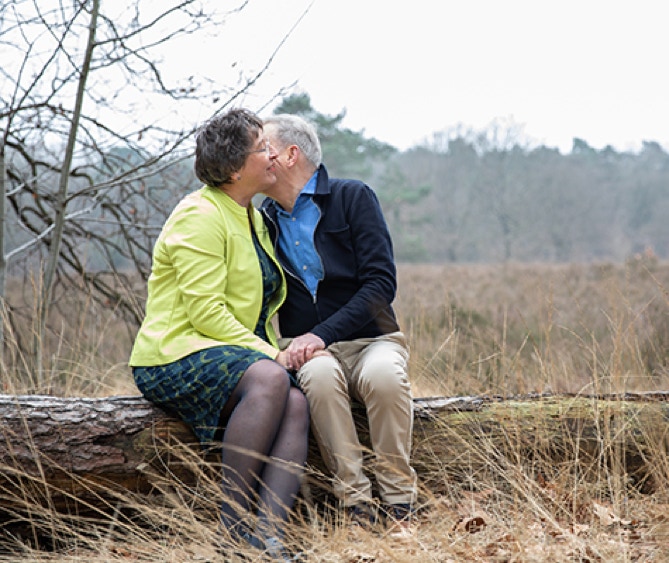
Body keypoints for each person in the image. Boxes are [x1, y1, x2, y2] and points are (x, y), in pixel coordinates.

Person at [129, 108, 309, 560]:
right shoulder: (199, 216)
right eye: (261, 149)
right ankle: (231, 534)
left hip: (232, 353)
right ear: (233, 170)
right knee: (271, 378)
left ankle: (269, 539)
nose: (272, 155)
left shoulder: (251, 216)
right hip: (174, 354)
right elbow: (206, 312)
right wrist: (271, 355)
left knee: (297, 400)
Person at [260, 114, 417, 534]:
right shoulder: (261, 220)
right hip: (304, 347)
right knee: (323, 380)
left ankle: (401, 504)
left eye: (265, 149)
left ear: (291, 155)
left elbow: (382, 284)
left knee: (385, 377)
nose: (259, 158)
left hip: (373, 339)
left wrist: (322, 334)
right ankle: (357, 506)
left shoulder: (353, 197)